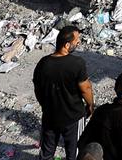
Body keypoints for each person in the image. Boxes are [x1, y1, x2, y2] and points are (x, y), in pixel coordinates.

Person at [35, 25, 95, 160]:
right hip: (73, 116)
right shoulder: (77, 63)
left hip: (50, 116)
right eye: (76, 41)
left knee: (47, 152)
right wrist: (91, 105)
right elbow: (86, 88)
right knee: (74, 152)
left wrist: (46, 106)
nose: (78, 43)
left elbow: (37, 89)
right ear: (67, 45)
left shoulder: (43, 63)